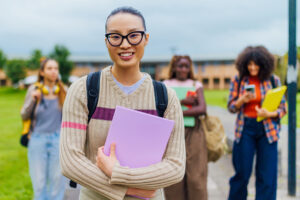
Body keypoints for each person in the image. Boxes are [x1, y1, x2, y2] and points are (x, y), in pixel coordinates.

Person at [59, 7, 185, 200]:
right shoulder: (83, 90)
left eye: (134, 35)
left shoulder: (166, 97)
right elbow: (70, 162)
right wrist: (129, 190)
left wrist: (118, 173)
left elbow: (175, 166)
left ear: (146, 38)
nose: (125, 44)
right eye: (115, 37)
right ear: (106, 41)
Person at [227, 46, 287, 200]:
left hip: (267, 131)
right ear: (244, 64)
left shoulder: (273, 80)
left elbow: (283, 108)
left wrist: (269, 113)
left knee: (267, 176)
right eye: (249, 64)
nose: (252, 67)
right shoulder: (238, 80)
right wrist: (241, 100)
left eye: (256, 64)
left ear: (263, 64)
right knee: (242, 174)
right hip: (245, 129)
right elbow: (231, 107)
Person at [21, 58, 67, 200]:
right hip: (37, 139)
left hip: (58, 139)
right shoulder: (33, 90)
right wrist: (33, 100)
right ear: (42, 72)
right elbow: (24, 115)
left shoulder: (63, 91)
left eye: (55, 68)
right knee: (39, 183)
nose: (53, 71)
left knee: (57, 182)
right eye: (49, 68)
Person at [163, 55, 208, 200]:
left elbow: (202, 109)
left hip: (193, 132)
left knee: (196, 177)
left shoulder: (195, 84)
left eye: (186, 66)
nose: (183, 69)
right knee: (174, 177)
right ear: (174, 68)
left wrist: (177, 111)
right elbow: (162, 108)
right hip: (172, 133)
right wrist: (183, 101)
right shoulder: (166, 84)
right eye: (180, 66)